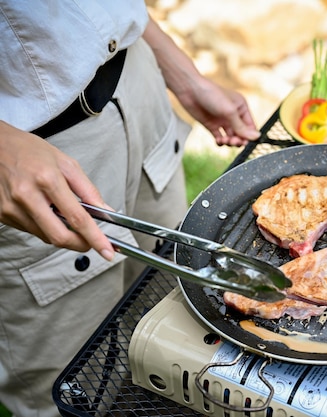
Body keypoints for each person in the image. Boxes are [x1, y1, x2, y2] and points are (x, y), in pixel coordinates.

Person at [0, 2, 260, 416]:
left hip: (137, 82)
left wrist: (180, 71)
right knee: (75, 388)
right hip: (32, 154)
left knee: (167, 317)